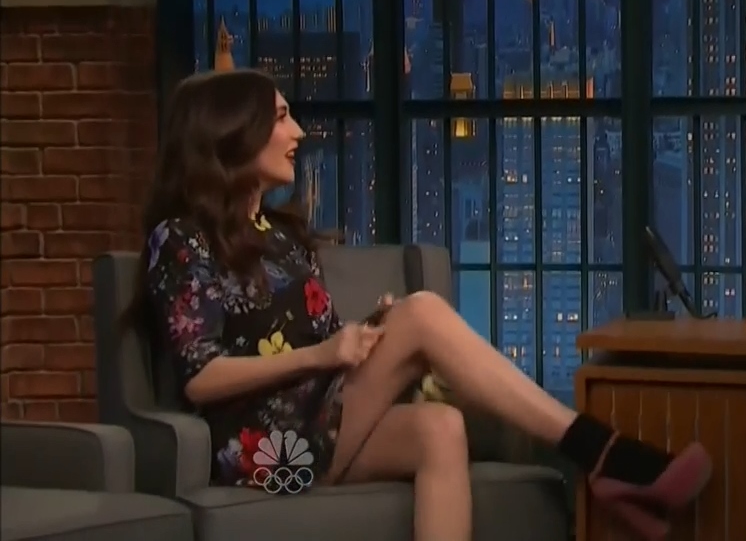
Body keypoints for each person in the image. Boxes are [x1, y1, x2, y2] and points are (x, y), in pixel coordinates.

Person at [126, 69, 709, 541]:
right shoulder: (180, 239)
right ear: (233, 132)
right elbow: (200, 377)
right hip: (262, 451)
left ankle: (600, 459)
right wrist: (326, 354)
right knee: (424, 312)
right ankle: (602, 453)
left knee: (440, 427)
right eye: (281, 117)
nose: (298, 131)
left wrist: (368, 331)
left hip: (316, 424)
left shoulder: (283, 236)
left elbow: (320, 343)